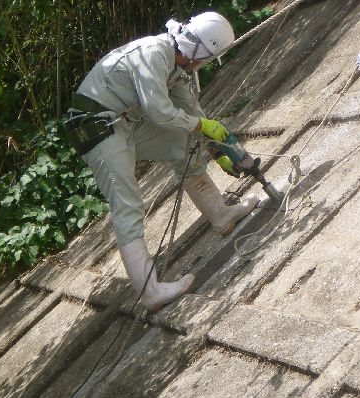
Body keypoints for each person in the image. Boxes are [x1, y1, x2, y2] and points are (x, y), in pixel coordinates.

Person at [65, 11, 260, 312]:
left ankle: (220, 214)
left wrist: (218, 150)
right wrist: (200, 127)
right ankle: (150, 291)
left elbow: (194, 117)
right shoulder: (153, 54)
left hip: (124, 125)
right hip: (97, 130)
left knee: (186, 142)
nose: (202, 65)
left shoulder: (177, 68)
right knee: (128, 205)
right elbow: (158, 111)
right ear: (197, 51)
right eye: (205, 59)